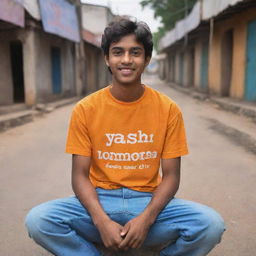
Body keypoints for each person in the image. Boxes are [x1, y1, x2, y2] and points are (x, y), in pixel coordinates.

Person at [25, 17, 225, 256]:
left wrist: (146, 220)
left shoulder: (168, 109)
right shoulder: (86, 109)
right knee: (39, 220)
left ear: (147, 59)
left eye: (136, 52)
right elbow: (79, 175)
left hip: (148, 202)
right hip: (99, 202)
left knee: (210, 225)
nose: (127, 60)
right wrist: (101, 222)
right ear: (107, 59)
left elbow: (171, 176)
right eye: (118, 52)